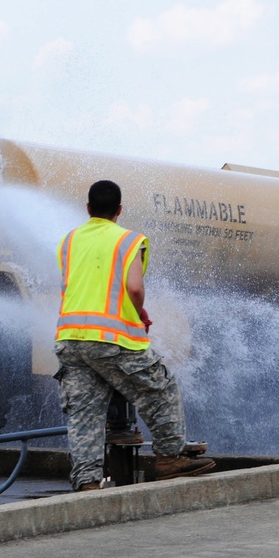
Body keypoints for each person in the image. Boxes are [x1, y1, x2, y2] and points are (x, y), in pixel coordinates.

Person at [54, 179, 214, 491]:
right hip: (112, 338)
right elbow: (135, 288)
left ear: (88, 209)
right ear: (120, 210)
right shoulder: (129, 241)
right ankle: (169, 458)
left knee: (85, 412)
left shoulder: (68, 241)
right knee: (160, 388)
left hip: (70, 338)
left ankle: (87, 481)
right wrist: (139, 313)